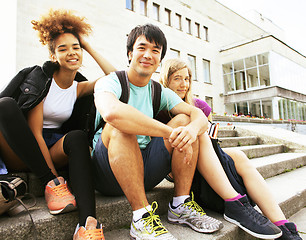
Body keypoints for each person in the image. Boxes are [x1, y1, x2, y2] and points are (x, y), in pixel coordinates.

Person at [92, 23, 224, 240]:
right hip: (107, 170)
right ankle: (141, 217)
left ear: (160, 59)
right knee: (122, 126)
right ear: (129, 53)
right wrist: (168, 132)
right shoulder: (111, 81)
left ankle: (180, 205)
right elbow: (112, 113)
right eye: (142, 47)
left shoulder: (157, 90)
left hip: (145, 168)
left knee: (183, 119)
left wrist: (190, 130)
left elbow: (197, 114)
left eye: (155, 50)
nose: (147, 55)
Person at [0, 9, 116, 240]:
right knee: (5, 105)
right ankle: (50, 184)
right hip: (23, 147)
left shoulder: (79, 87)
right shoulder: (40, 81)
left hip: (51, 146)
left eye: (76, 48)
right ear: (53, 56)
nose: (72, 53)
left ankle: (87, 225)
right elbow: (36, 135)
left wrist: (88, 46)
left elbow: (115, 77)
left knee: (76, 137)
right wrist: (54, 181)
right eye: (63, 49)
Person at [158, 58, 302, 240]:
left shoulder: (200, 106)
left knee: (239, 155)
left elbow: (211, 143)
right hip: (185, 170)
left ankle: (285, 228)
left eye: (187, 79)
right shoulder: (160, 109)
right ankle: (235, 203)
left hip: (208, 166)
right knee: (197, 127)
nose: (183, 84)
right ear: (166, 80)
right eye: (177, 78)